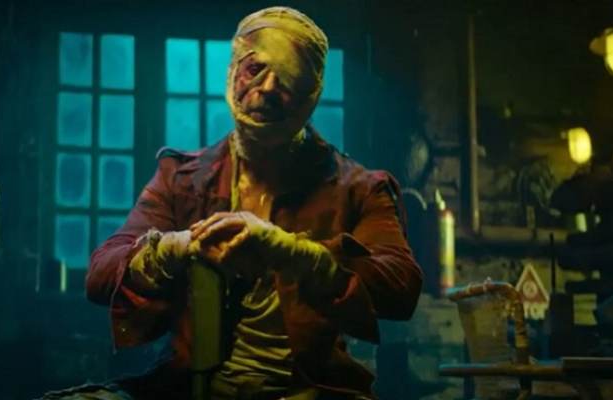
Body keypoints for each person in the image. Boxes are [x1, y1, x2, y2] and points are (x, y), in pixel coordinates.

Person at [40, 6, 422, 400]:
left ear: (312, 94)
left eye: (289, 78)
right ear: (232, 72)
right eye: (255, 68)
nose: (268, 88)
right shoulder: (181, 178)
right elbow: (101, 273)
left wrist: (296, 254)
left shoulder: (359, 188)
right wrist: (176, 247)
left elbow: (401, 288)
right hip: (188, 389)